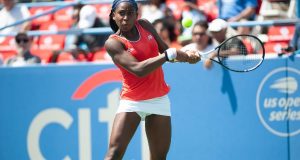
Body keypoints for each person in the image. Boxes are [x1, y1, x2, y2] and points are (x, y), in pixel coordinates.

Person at [104, 0, 200, 159]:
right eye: (121, 13)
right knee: (114, 154)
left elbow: (165, 50)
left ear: (137, 15)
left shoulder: (145, 25)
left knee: (159, 158)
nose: (126, 17)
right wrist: (169, 55)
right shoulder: (113, 43)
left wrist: (187, 56)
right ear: (113, 15)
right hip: (132, 101)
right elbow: (138, 69)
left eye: (130, 13)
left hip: (159, 99)